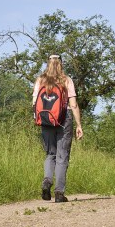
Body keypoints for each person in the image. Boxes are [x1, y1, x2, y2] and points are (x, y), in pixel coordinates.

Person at [32, 54, 84, 203]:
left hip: (45, 119)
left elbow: (34, 103)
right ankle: (59, 193)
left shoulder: (40, 80)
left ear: (47, 64)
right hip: (64, 118)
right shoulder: (66, 80)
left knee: (50, 154)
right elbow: (73, 104)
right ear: (61, 64)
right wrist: (79, 125)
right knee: (62, 156)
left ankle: (47, 182)